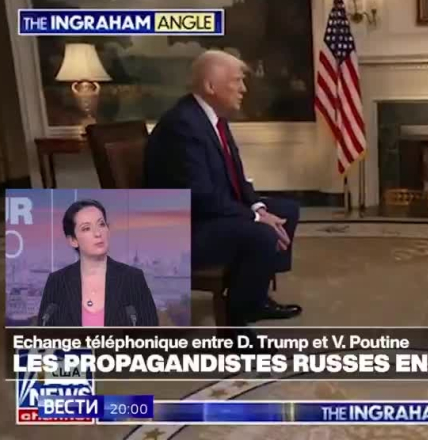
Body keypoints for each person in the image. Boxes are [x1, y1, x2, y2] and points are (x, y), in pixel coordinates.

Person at [143, 50, 302, 327]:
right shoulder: (182, 125)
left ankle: (255, 295)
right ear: (210, 86)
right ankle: (237, 324)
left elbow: (236, 175)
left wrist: (258, 207)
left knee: (286, 210)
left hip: (206, 214)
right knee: (262, 234)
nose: (244, 89)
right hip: (183, 228)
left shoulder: (213, 117)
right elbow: (200, 196)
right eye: (237, 81)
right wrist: (255, 218)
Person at [37, 199, 159, 327]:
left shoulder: (132, 278)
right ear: (73, 240)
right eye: (86, 228)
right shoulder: (57, 281)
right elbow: (43, 332)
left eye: (101, 224)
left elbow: (151, 333)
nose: (98, 233)